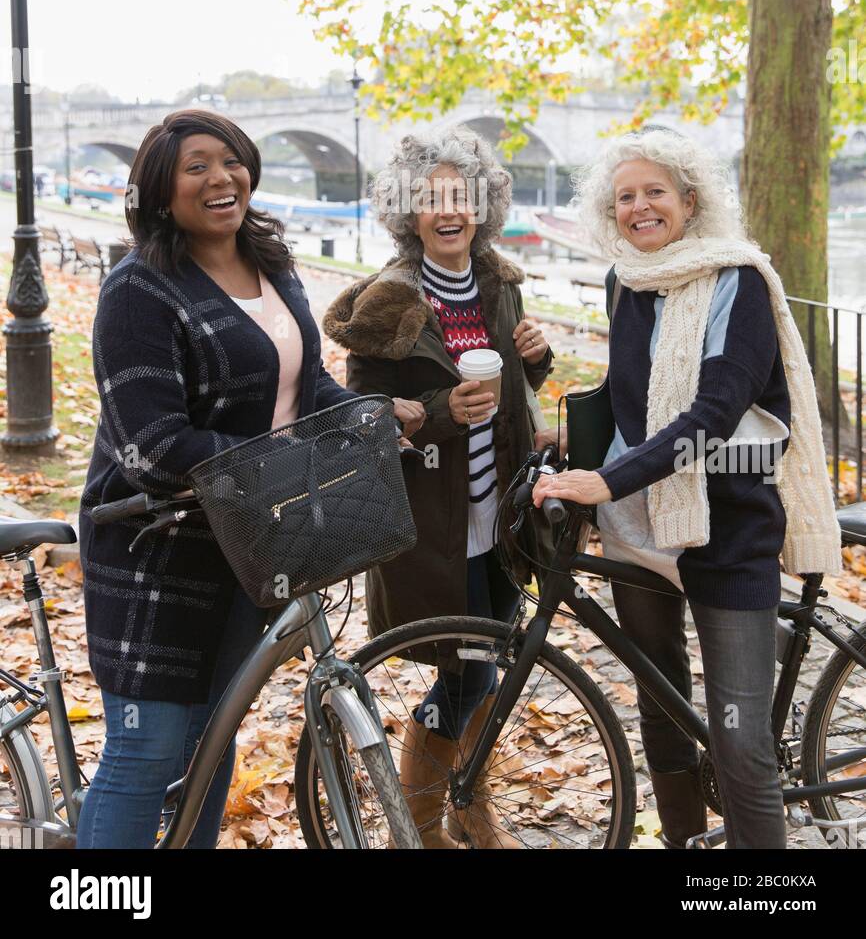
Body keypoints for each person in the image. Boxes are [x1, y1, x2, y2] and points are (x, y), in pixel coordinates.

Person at [76, 108, 423, 849]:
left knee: (212, 744)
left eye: (229, 160)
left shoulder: (271, 265)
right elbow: (150, 445)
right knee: (147, 754)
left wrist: (368, 414)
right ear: (161, 194)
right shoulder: (138, 289)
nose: (219, 177)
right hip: (156, 549)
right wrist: (289, 465)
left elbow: (306, 389)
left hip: (255, 541)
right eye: (195, 167)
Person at [533, 127, 842, 850]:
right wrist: (564, 450)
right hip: (639, 521)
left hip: (727, 527)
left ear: (690, 200)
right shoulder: (625, 280)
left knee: (740, 747)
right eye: (625, 198)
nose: (640, 208)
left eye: (655, 193)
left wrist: (605, 477)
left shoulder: (736, 280)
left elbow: (712, 416)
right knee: (662, 702)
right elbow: (629, 394)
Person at [323, 127, 553, 848]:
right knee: (465, 679)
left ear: (484, 206)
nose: (448, 211)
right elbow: (367, 423)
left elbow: (514, 395)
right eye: (431, 199)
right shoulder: (387, 303)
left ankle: (469, 809)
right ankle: (419, 829)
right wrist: (444, 416)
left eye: (462, 195)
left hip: (502, 520)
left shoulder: (501, 286)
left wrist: (535, 364)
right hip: (434, 527)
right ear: (408, 211)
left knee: (492, 671)